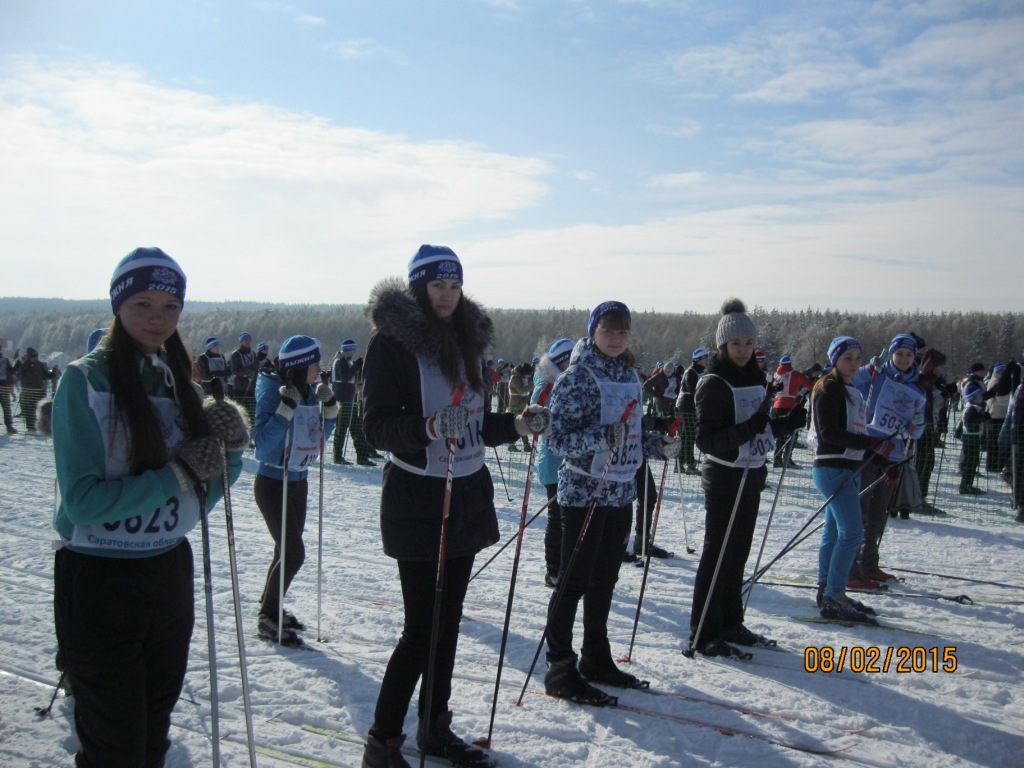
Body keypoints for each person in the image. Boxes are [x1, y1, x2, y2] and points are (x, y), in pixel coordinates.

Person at [51, 247, 246, 768]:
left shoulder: (177, 382)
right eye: (143, 303)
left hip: (166, 573)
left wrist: (231, 455)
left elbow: (201, 497)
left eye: (170, 306)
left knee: (152, 735)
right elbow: (83, 501)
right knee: (115, 746)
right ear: (118, 305)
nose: (158, 318)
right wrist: (176, 474)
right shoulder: (84, 380)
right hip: (99, 577)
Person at [359, 245, 550, 768]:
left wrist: (516, 424)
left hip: (465, 491)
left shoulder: (469, 343)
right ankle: (382, 741)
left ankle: (434, 727)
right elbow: (375, 427)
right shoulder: (391, 345)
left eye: (454, 286)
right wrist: (424, 429)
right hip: (418, 494)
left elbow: (474, 422)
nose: (446, 295)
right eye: (437, 286)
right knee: (421, 627)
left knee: (448, 623)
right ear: (419, 288)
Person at [543, 300, 680, 704]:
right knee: (573, 581)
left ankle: (596, 658)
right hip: (583, 493)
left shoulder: (629, 376)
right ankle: (559, 666)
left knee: (605, 581)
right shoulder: (576, 377)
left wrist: (659, 445)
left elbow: (632, 435)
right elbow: (556, 439)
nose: (616, 339)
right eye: (609, 331)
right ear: (593, 332)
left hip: (621, 491)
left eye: (623, 332)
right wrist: (601, 439)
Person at [687, 299, 805, 657]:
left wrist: (786, 424)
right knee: (717, 553)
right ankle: (703, 631)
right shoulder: (713, 381)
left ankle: (730, 621)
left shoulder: (756, 376)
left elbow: (761, 425)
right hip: (723, 477)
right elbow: (705, 441)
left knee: (738, 552)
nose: (742, 350)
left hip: (752, 474)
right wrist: (746, 429)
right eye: (736, 344)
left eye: (748, 343)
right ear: (724, 345)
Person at [252, 335, 338, 646]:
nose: (319, 370)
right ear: (301, 366)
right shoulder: (274, 393)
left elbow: (315, 436)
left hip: (298, 479)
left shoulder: (308, 393)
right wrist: (283, 411)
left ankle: (270, 609)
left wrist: (329, 414)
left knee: (284, 550)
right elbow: (261, 446)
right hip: (273, 481)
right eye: (315, 364)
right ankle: (267, 616)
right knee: (293, 552)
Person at [810, 337, 890, 623]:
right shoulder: (828, 388)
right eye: (848, 358)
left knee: (834, 532)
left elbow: (852, 430)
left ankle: (827, 590)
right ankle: (833, 595)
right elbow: (828, 432)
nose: (854, 363)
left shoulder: (849, 389)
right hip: (833, 467)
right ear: (835, 360)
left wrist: (877, 454)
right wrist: (869, 443)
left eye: (858, 357)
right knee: (852, 533)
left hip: (849, 466)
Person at [534, 338, 574, 588]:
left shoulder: (569, 381)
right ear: (561, 362)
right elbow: (537, 415)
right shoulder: (547, 383)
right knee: (557, 518)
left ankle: (568, 567)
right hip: (552, 462)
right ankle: (554, 570)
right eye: (571, 359)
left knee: (570, 519)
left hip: (571, 460)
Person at [332, 339, 374, 465]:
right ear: (348, 349)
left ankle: (362, 456)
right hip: (344, 399)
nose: (354, 351)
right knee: (342, 428)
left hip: (349, 398)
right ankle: (338, 456)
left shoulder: (346, 361)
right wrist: (356, 366)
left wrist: (355, 365)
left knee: (356, 429)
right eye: (352, 349)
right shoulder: (340, 361)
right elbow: (345, 377)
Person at [771, 354, 813, 469]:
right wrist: (801, 394)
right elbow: (810, 385)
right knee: (792, 433)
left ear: (780, 364)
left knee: (780, 433)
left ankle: (777, 459)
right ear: (790, 364)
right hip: (789, 405)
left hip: (776, 406)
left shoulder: (776, 375)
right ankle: (787, 459)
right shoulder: (794, 374)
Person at [675, 348, 709, 474]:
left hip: (692, 407)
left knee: (686, 435)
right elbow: (694, 390)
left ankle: (680, 463)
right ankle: (689, 463)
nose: (706, 360)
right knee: (689, 434)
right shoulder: (691, 372)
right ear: (698, 359)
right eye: (704, 357)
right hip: (685, 406)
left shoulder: (702, 371)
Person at [17, 347, 54, 431]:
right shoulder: (24, 365)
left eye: (35, 356)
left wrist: (53, 373)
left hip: (39, 390)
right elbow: (22, 375)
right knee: (29, 410)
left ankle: (45, 425)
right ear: (29, 356)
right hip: (28, 391)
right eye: (32, 356)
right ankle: (30, 426)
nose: (34, 358)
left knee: (44, 409)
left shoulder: (40, 365)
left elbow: (46, 375)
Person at [230, 331, 259, 426]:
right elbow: (235, 370)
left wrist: (253, 373)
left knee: (251, 412)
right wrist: (248, 372)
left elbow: (256, 367)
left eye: (249, 340)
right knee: (241, 411)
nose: (247, 342)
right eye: (245, 340)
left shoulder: (253, 354)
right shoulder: (235, 355)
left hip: (251, 388)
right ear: (241, 342)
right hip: (239, 388)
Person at [508, 361, 535, 451]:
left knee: (522, 425)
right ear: (525, 373)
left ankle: (526, 445)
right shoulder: (516, 378)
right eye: (529, 374)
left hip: (520, 404)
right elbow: (521, 390)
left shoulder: (520, 377)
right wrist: (533, 386)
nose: (530, 377)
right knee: (517, 426)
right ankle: (512, 445)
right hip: (516, 405)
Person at [0, 345, 16, 433]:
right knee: (6, 407)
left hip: (3, 385)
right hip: (2, 385)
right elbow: (12, 371)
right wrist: (17, 363)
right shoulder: (4, 360)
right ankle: (9, 426)